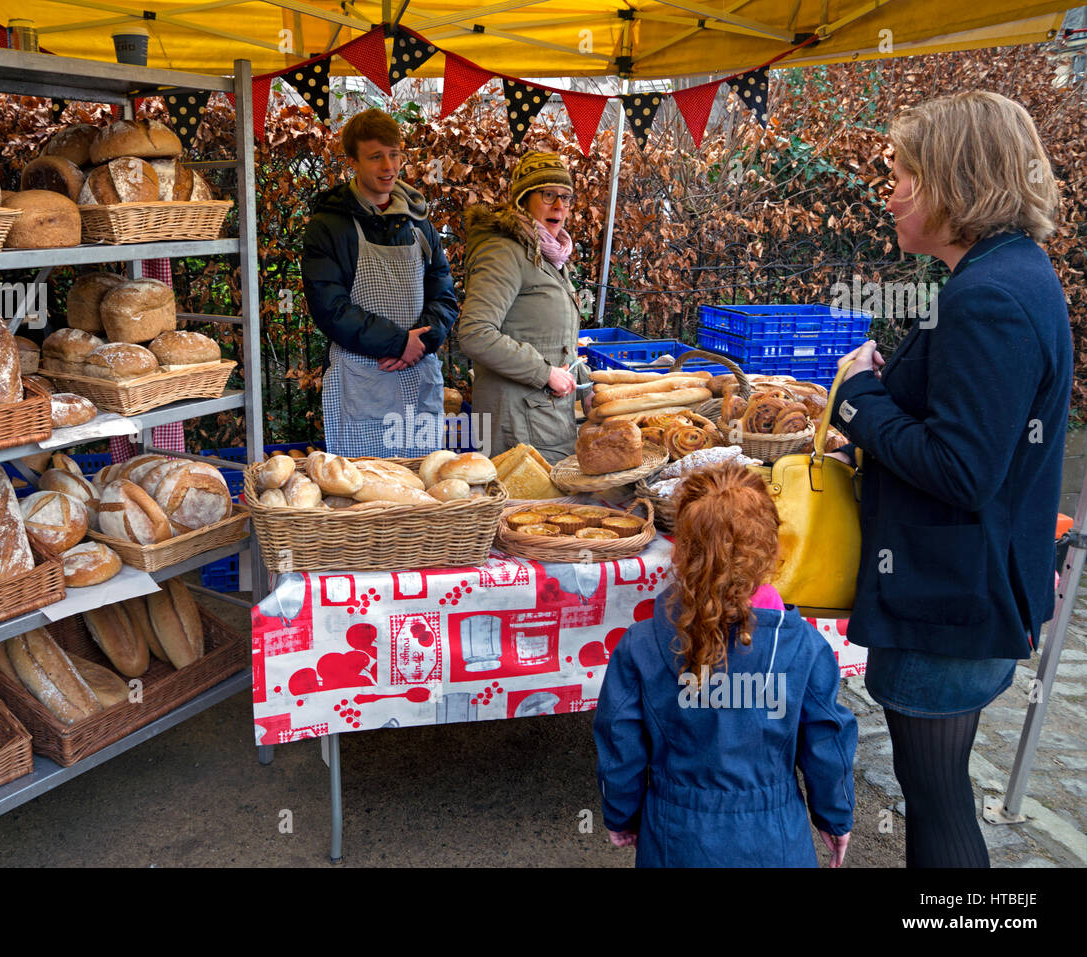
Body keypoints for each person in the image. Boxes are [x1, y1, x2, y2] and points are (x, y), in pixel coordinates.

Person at [830, 91, 1072, 868]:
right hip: (960, 593)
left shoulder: (991, 295)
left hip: (949, 599)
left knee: (937, 806)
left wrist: (857, 402)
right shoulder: (1007, 274)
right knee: (938, 791)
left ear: (958, 179)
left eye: (905, 174)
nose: (891, 192)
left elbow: (962, 469)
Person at [593, 463, 857, 867]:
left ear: (679, 551)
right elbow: (828, 745)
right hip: (775, 840)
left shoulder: (641, 646)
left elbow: (619, 743)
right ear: (772, 549)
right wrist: (835, 818)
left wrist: (621, 815)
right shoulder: (804, 646)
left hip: (675, 837)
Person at [301, 109, 457, 457]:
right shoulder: (329, 226)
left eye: (395, 154)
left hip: (418, 371)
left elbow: (444, 295)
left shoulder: (420, 223)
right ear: (353, 161)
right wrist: (397, 342)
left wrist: (421, 341)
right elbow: (329, 307)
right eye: (376, 157)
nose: (389, 166)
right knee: (361, 490)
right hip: (360, 381)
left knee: (420, 488)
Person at [457, 151, 587, 463]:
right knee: (524, 511)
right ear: (523, 201)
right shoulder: (503, 252)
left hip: (546, 419)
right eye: (548, 195)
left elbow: (553, 344)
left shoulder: (546, 255)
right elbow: (475, 333)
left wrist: (586, 385)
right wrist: (543, 373)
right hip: (517, 424)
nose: (559, 206)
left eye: (566, 197)